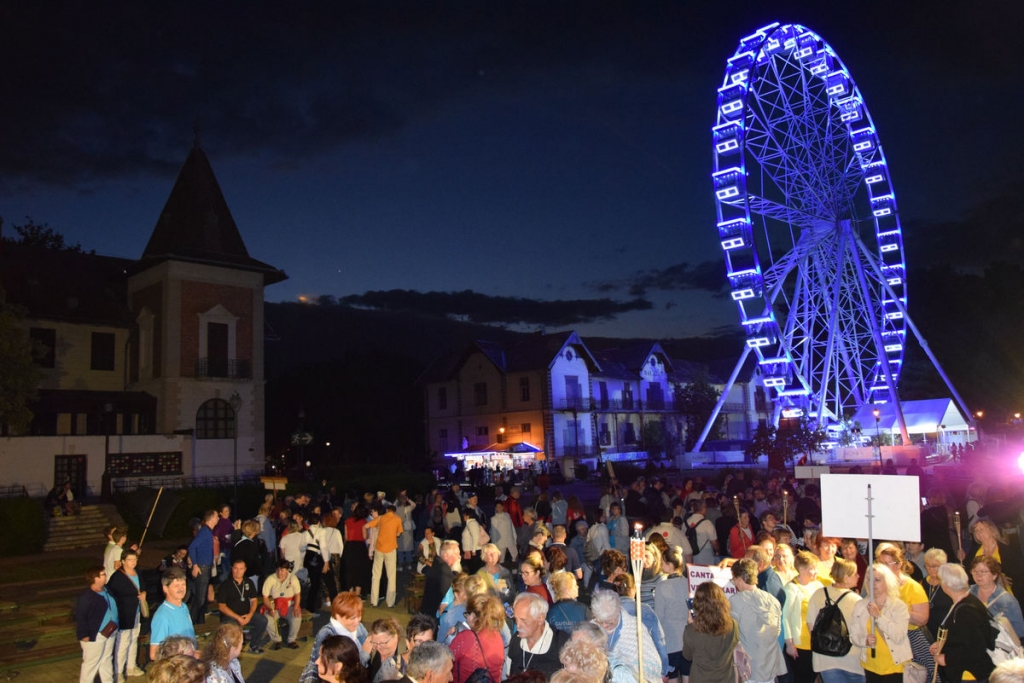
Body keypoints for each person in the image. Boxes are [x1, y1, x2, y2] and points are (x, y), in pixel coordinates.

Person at [875, 543, 933, 681]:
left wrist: (897, 610)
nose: (882, 567)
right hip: (882, 640)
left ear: (899, 564)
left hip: (909, 639)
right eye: (880, 563)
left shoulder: (912, 587)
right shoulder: (876, 584)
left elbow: (923, 619)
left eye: (887, 564)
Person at [932, 562, 998, 683]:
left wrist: (947, 658)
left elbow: (976, 648)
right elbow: (963, 638)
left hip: (971, 675)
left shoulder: (965, 611)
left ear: (945, 585)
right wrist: (942, 644)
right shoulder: (967, 601)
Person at [850, 564, 912, 683]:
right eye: (869, 579)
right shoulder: (860, 606)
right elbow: (854, 635)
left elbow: (899, 636)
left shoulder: (898, 606)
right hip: (871, 666)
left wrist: (878, 616)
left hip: (895, 666)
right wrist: (865, 641)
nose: (872, 583)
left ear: (887, 582)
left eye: (877, 580)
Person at [805, 557, 864, 683]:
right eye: (855, 574)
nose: (858, 576)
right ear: (846, 577)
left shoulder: (818, 594)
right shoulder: (856, 600)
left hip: (825, 659)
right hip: (852, 660)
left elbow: (810, 625)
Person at [730, 558, 788, 683]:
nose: (734, 583)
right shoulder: (772, 600)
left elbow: (731, 634)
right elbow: (777, 631)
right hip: (770, 664)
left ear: (739, 578)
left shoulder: (735, 601)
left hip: (748, 667)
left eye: (733, 579)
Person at [590, 588, 662, 683]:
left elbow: (653, 665)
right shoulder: (592, 628)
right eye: (600, 621)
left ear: (618, 611)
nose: (604, 626)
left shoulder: (635, 629)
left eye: (609, 622)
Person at [300, 593, 369, 683]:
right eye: (352, 618)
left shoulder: (358, 627)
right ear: (338, 616)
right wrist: (365, 654)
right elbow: (320, 666)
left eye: (359, 616)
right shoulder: (327, 634)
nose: (357, 622)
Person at [784, 550, 826, 683]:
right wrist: (789, 644)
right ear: (801, 570)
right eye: (812, 569)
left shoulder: (818, 585)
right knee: (803, 678)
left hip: (817, 642)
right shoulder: (791, 588)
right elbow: (785, 617)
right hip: (801, 644)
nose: (816, 572)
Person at [506, 592, 570, 679]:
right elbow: (509, 675)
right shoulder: (515, 641)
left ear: (540, 619)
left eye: (524, 620)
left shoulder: (561, 643)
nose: (518, 626)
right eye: (516, 619)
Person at [105, 549, 146, 679]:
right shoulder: (118, 577)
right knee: (123, 642)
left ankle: (131, 666)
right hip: (124, 613)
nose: (133, 562)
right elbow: (113, 595)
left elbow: (142, 586)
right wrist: (133, 598)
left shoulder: (137, 571)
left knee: (134, 639)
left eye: (135, 560)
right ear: (123, 561)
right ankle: (118, 672)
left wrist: (144, 593)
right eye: (130, 560)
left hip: (136, 612)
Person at [216, 558, 269, 654]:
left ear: (245, 570)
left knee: (262, 620)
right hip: (230, 616)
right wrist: (238, 617)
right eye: (236, 568)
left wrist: (250, 615)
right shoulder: (225, 585)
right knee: (233, 626)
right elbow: (222, 606)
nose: (238, 571)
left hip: (246, 614)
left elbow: (254, 600)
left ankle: (254, 645)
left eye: (241, 569)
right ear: (232, 569)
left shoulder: (248, 582)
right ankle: (232, 651)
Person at [449, 594, 505, 683]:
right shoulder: (498, 637)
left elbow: (445, 661)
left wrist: (448, 638)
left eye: (468, 613)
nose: (466, 617)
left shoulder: (464, 638)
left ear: (474, 616)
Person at [655, 545, 690, 683]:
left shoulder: (662, 586)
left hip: (671, 641)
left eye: (662, 562)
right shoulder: (688, 583)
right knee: (687, 676)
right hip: (688, 640)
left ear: (669, 565)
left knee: (673, 678)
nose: (660, 565)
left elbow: (659, 616)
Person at [76, 566, 118, 683]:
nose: (106, 576)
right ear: (95, 578)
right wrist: (83, 634)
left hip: (110, 631)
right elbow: (81, 616)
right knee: (91, 663)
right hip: (96, 634)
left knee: (106, 659)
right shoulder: (87, 597)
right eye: (103, 574)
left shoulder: (106, 589)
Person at [962, 519, 1024, 597]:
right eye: (976, 530)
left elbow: (1018, 574)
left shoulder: (1007, 550)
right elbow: (968, 573)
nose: (978, 533)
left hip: (1005, 594)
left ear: (991, 530)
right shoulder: (974, 552)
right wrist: (962, 558)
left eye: (981, 529)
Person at [969, 556, 1024, 638]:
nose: (978, 575)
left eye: (982, 572)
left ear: (994, 575)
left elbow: (1020, 631)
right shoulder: (968, 594)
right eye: (975, 571)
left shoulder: (1008, 600)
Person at [150, 567, 195, 661]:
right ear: (165, 588)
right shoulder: (162, 616)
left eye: (183, 584)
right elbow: (154, 654)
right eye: (176, 585)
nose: (181, 588)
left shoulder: (184, 607)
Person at [365, 504, 404, 608]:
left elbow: (367, 526)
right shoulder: (397, 519)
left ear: (387, 510)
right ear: (394, 512)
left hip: (379, 549)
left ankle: (374, 601)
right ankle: (390, 602)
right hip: (391, 549)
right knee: (391, 576)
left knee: (376, 575)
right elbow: (398, 534)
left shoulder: (380, 518)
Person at [262, 559, 303, 650]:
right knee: (268, 619)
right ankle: (277, 639)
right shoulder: (271, 579)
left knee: (297, 617)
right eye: (278, 570)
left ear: (287, 570)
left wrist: (296, 607)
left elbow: (297, 595)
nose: (280, 573)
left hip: (289, 605)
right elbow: (265, 597)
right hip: (274, 605)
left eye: (282, 570)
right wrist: (270, 609)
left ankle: (291, 639)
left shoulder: (293, 578)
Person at [188, 510, 218, 624]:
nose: (218, 518)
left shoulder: (208, 531)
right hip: (202, 567)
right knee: (200, 599)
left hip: (206, 566)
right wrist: (195, 565)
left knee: (203, 598)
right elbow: (192, 547)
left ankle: (200, 622)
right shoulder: (205, 531)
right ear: (211, 518)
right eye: (216, 516)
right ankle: (191, 623)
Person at [421, 540, 459, 618]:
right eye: (457, 554)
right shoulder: (444, 570)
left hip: (427, 613)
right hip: (434, 617)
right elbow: (444, 604)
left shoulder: (438, 564)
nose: (459, 557)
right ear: (446, 555)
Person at [344, 503, 371, 597]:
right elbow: (364, 536)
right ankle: (358, 592)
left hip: (349, 546)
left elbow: (346, 536)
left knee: (350, 569)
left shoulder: (347, 521)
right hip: (360, 546)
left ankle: (350, 591)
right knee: (359, 569)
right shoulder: (364, 522)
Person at [363, 618, 403, 682]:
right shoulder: (376, 649)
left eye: (382, 643)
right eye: (375, 642)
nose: (378, 647)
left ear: (395, 637)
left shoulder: (403, 659)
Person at [687, 499, 719, 565]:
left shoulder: (686, 522)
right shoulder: (707, 523)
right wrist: (717, 550)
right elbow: (714, 542)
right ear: (704, 508)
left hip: (690, 557)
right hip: (705, 557)